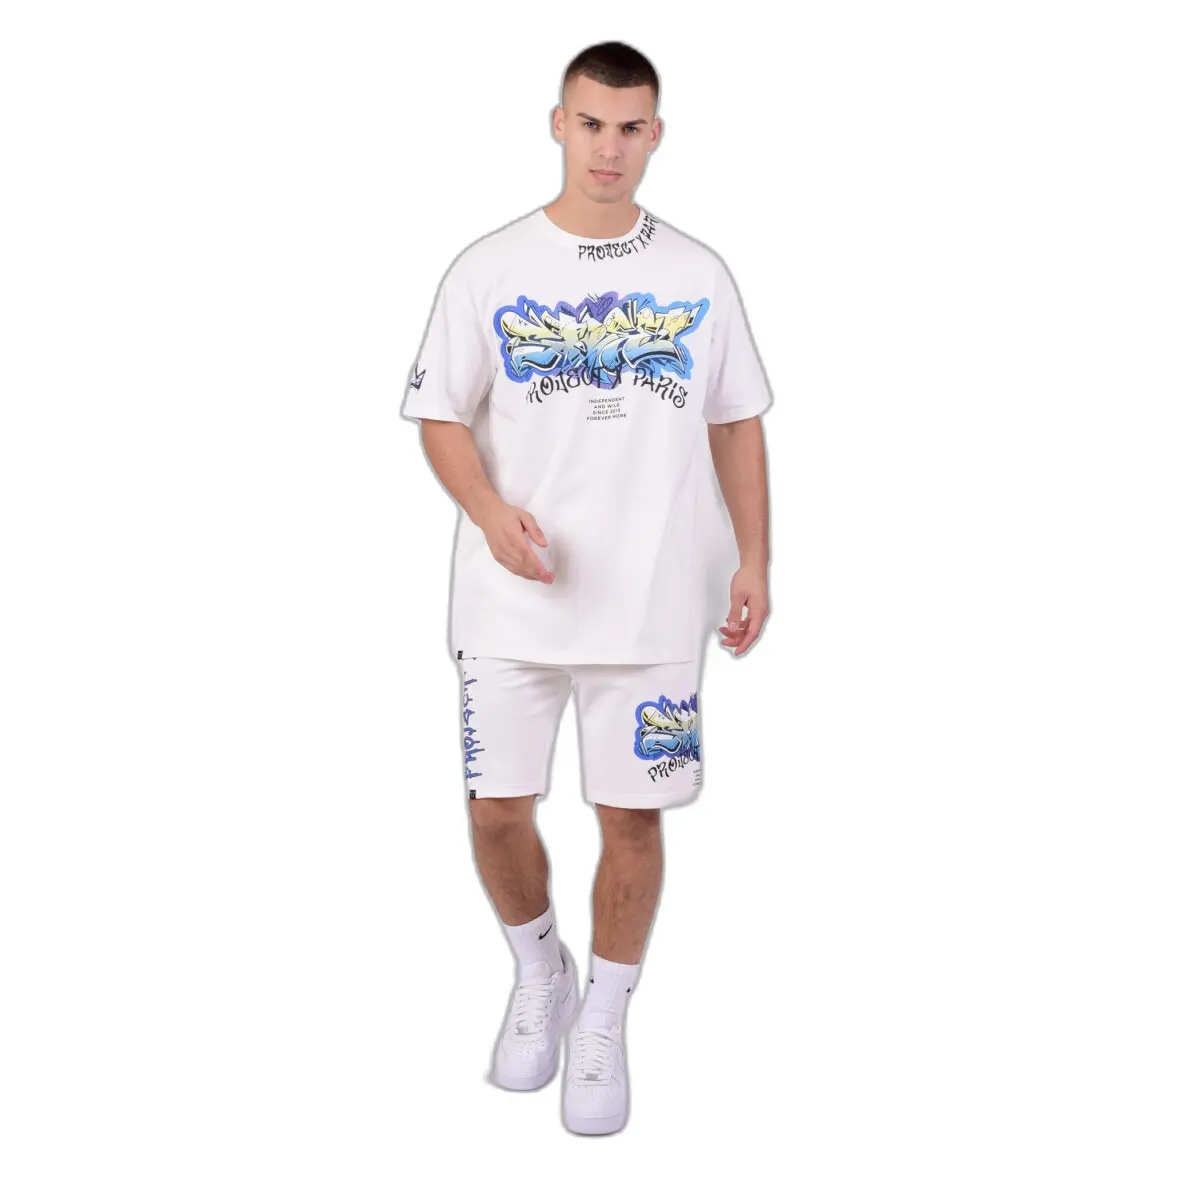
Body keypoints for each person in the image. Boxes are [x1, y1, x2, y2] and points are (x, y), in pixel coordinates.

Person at [399, 41, 772, 1136]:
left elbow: (736, 423)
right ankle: (540, 971)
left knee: (633, 818)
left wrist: (754, 559)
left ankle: (604, 1017)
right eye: (592, 124)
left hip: (654, 603)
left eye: (631, 127)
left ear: (656, 135)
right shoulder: (490, 266)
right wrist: (487, 510)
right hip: (510, 601)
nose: (610, 148)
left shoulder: (699, 273)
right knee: (496, 813)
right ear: (559, 124)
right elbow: (439, 415)